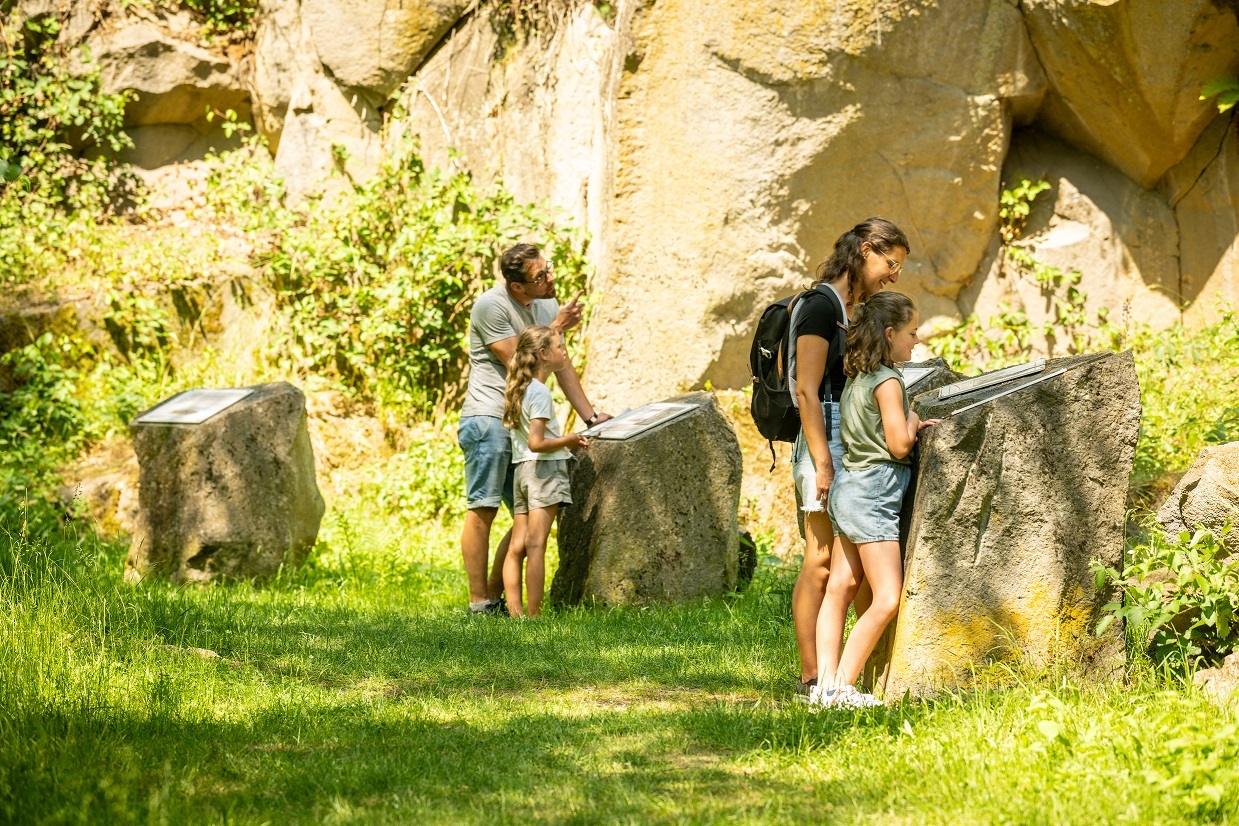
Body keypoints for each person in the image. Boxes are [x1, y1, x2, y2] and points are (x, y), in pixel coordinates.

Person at [789, 217, 911, 700]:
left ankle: (841, 673)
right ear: (864, 251)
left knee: (845, 568)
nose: (893, 275)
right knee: (820, 562)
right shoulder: (821, 305)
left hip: (849, 437)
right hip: (824, 436)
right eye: (889, 263)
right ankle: (813, 677)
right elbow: (806, 388)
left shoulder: (854, 308)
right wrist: (822, 461)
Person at [458, 243, 610, 615]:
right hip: (489, 419)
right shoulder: (491, 306)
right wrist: (556, 327)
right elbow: (521, 367)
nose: (550, 278)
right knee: (484, 507)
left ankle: (499, 597)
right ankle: (480, 602)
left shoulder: (543, 305)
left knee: (529, 516)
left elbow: (560, 364)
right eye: (539, 276)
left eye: (548, 269)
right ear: (517, 287)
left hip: (521, 425)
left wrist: (590, 417)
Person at [810, 291, 939, 708]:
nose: (916, 341)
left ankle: (823, 684)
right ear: (889, 333)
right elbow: (900, 445)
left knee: (840, 586)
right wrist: (916, 418)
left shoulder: (856, 379)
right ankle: (842, 687)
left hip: (848, 488)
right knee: (886, 596)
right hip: (874, 493)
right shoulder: (887, 381)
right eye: (911, 332)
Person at [501, 326, 588, 618]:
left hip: (522, 471)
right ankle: (535, 616)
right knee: (536, 544)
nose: (564, 352)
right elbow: (537, 443)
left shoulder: (520, 388)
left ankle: (516, 615)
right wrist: (571, 440)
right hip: (543, 470)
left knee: (518, 545)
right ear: (544, 354)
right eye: (560, 346)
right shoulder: (540, 393)